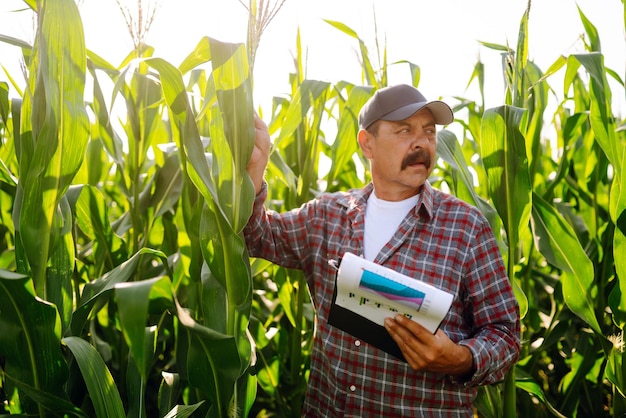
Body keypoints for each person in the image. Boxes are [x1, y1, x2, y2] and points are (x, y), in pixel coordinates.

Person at [244, 84, 520, 417]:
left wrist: (461, 359)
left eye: (429, 132)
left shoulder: (466, 227)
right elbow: (254, 236)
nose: (421, 143)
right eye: (404, 130)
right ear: (366, 143)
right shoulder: (327, 215)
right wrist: (254, 171)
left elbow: (504, 334)